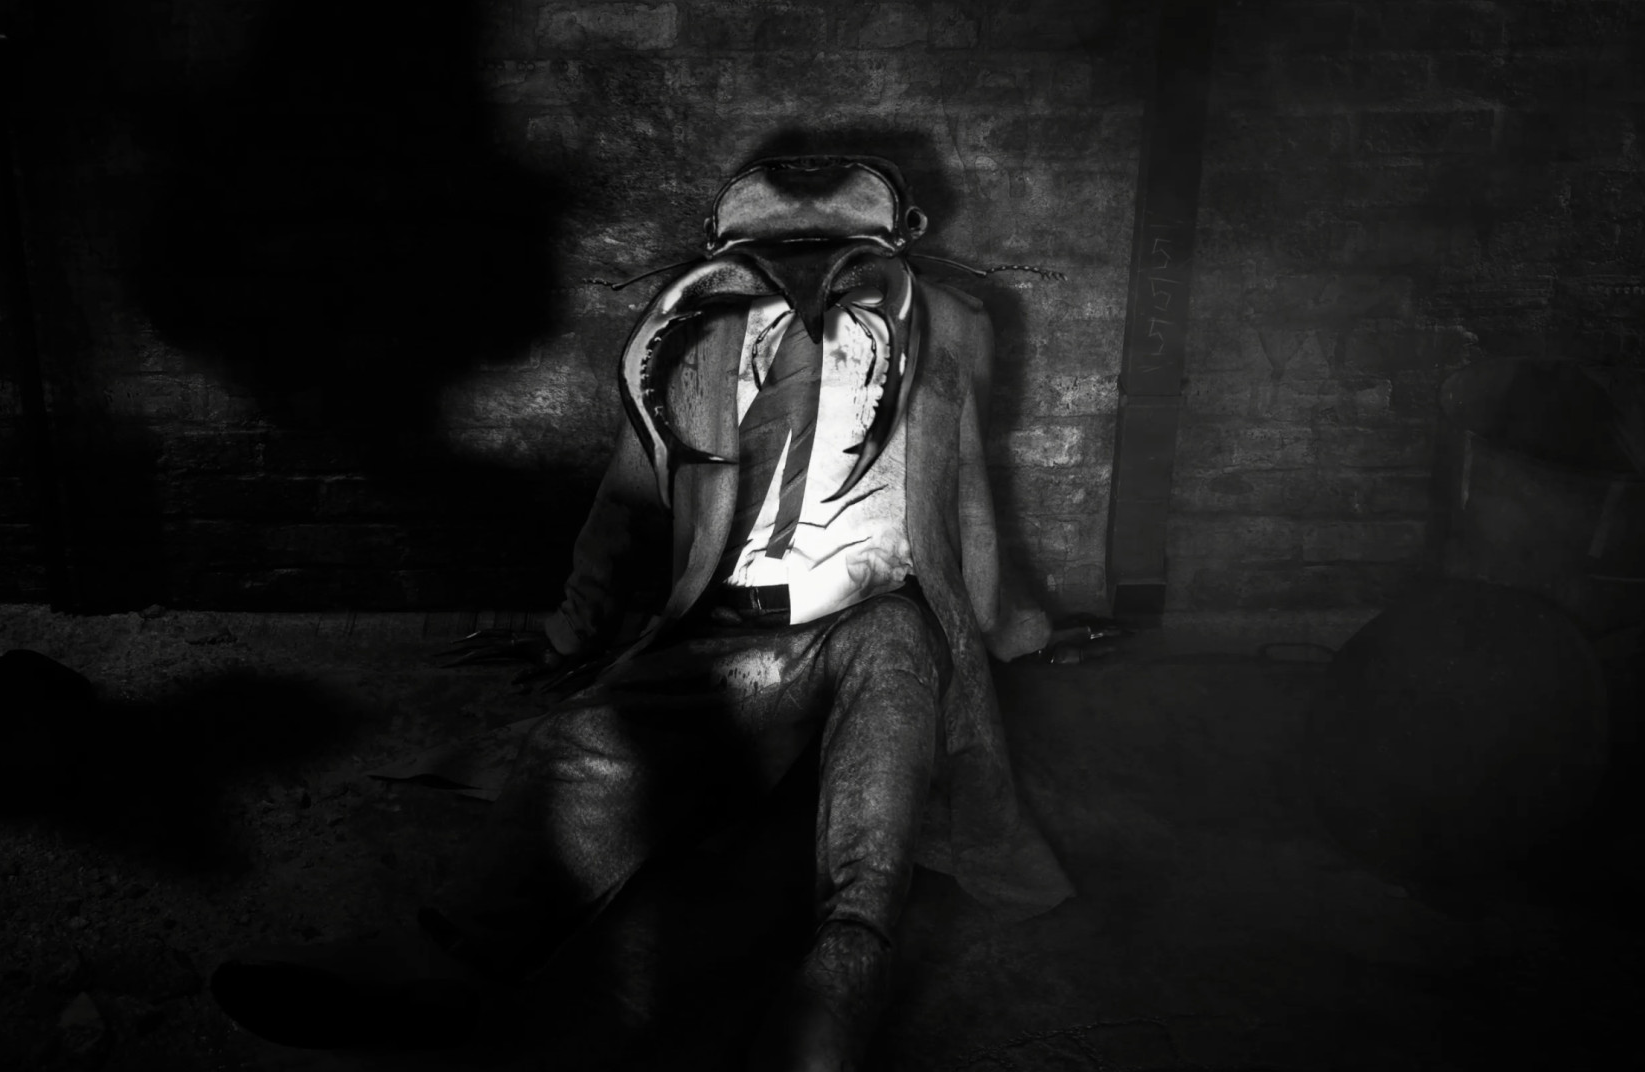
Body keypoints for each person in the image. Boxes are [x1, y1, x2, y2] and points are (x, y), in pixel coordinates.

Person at [212, 155, 1073, 1070]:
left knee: (892, 680)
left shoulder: (953, 325)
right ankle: (446, 964)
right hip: (730, 629)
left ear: (900, 243)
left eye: (835, 250)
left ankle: (842, 978)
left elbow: (968, 496)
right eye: (780, 252)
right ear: (725, 253)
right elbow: (625, 501)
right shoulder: (690, 333)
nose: (809, 272)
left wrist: (1011, 628)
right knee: (586, 745)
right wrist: (572, 632)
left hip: (876, 616)